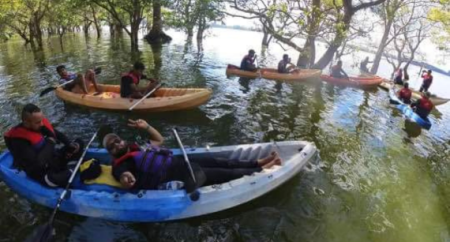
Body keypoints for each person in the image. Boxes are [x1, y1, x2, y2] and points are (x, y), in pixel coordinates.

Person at [104, 119, 281, 192]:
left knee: (218, 161)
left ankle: (257, 161)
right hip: (173, 175)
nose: (117, 144)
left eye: (117, 140)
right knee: (220, 173)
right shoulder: (120, 165)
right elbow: (123, 176)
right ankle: (262, 169)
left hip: (177, 162)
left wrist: (146, 126)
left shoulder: (137, 148)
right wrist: (125, 178)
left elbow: (159, 140)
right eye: (112, 146)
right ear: (111, 153)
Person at [4, 104, 84, 187]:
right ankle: (71, 170)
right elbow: (38, 164)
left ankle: (70, 169)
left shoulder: (39, 125)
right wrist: (50, 143)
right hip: (42, 172)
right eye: (38, 122)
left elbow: (56, 133)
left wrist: (69, 144)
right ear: (26, 123)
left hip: (54, 159)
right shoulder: (19, 141)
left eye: (41, 120)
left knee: (79, 142)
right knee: (55, 178)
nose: (42, 124)